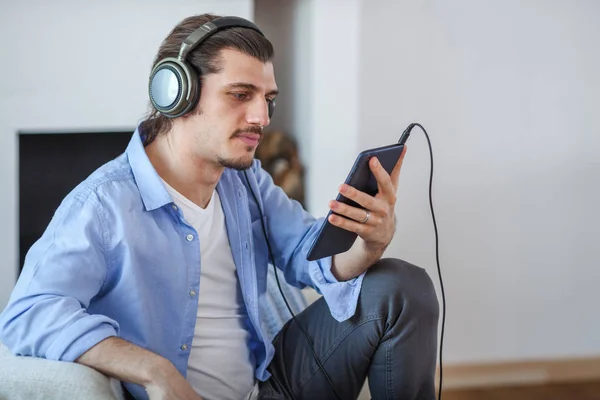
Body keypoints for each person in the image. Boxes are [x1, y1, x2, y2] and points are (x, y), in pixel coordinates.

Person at [0, 14, 439, 400]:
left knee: (403, 285)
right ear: (177, 93)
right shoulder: (103, 205)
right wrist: (154, 370)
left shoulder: (245, 180)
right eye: (240, 94)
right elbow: (27, 313)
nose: (262, 118)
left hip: (272, 386)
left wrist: (369, 242)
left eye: (267, 99)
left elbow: (309, 254)